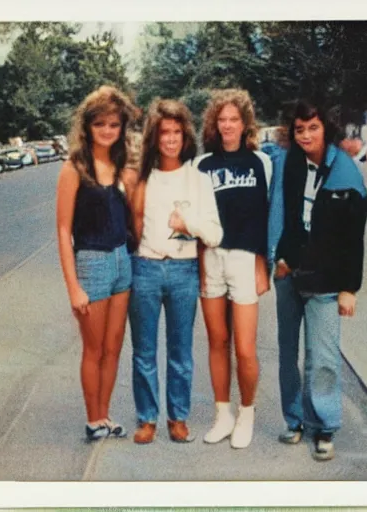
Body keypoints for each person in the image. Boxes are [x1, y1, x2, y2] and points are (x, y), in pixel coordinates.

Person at [265, 98, 367, 461]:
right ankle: (294, 421)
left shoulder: (346, 173)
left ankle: (323, 427)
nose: (306, 135)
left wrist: (349, 288)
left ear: (326, 128)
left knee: (322, 357)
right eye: (299, 129)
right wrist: (277, 257)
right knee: (287, 352)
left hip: (326, 278)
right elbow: (280, 213)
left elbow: (353, 237)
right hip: (289, 273)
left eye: (313, 127)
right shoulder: (288, 164)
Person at [129, 99, 223, 444]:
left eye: (177, 133)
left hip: (184, 270)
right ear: (154, 137)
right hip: (145, 269)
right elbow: (132, 225)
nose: (170, 139)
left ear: (186, 137)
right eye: (164, 132)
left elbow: (215, 233)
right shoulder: (143, 178)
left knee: (181, 351)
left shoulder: (197, 178)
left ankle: (177, 417)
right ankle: (147, 418)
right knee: (144, 350)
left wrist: (189, 223)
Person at [56, 85, 138, 441]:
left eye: (114, 125)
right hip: (91, 262)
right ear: (87, 126)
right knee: (93, 347)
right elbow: (62, 230)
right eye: (100, 123)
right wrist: (74, 287)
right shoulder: (74, 168)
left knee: (114, 344)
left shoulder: (122, 166)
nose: (107, 130)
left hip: (123, 260)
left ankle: (105, 416)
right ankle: (93, 420)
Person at [196, 89, 272, 449]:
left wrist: (263, 264)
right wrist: (199, 266)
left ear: (244, 124)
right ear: (215, 123)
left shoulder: (261, 162)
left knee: (244, 347)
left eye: (233, 119)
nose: (227, 125)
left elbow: (267, 217)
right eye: (221, 119)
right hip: (212, 257)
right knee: (217, 340)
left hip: (244, 259)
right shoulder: (203, 165)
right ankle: (222, 414)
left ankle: (246, 413)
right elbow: (197, 220)